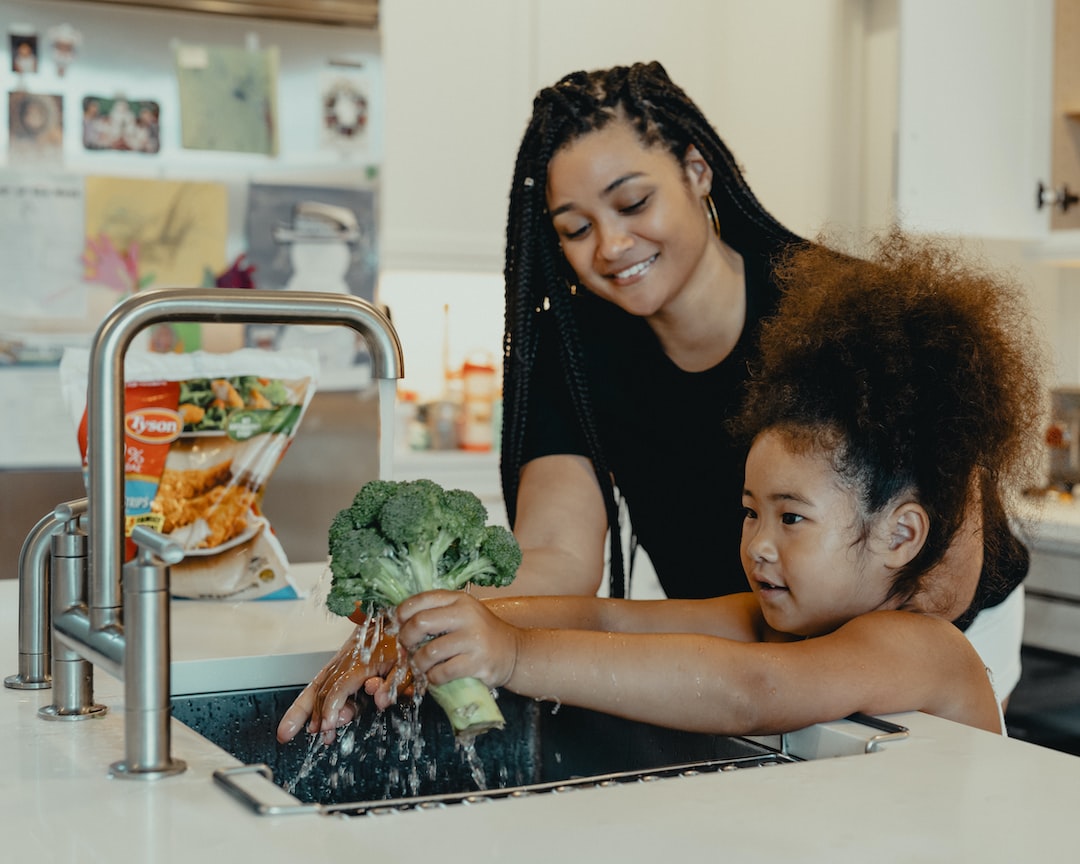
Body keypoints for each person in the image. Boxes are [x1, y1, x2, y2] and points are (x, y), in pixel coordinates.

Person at [277, 62, 1036, 743]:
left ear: (697, 171)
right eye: (575, 228)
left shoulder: (845, 319)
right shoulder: (577, 353)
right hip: (771, 621)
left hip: (909, 626)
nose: (609, 246)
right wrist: (433, 622)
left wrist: (510, 649)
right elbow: (574, 575)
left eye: (633, 201)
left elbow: (873, 619)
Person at [356, 231, 1045, 738]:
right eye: (751, 513)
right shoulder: (777, 619)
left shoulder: (919, 646)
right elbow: (608, 619)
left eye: (792, 518)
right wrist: (444, 625)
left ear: (900, 534)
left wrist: (510, 654)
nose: (759, 546)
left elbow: (749, 691)